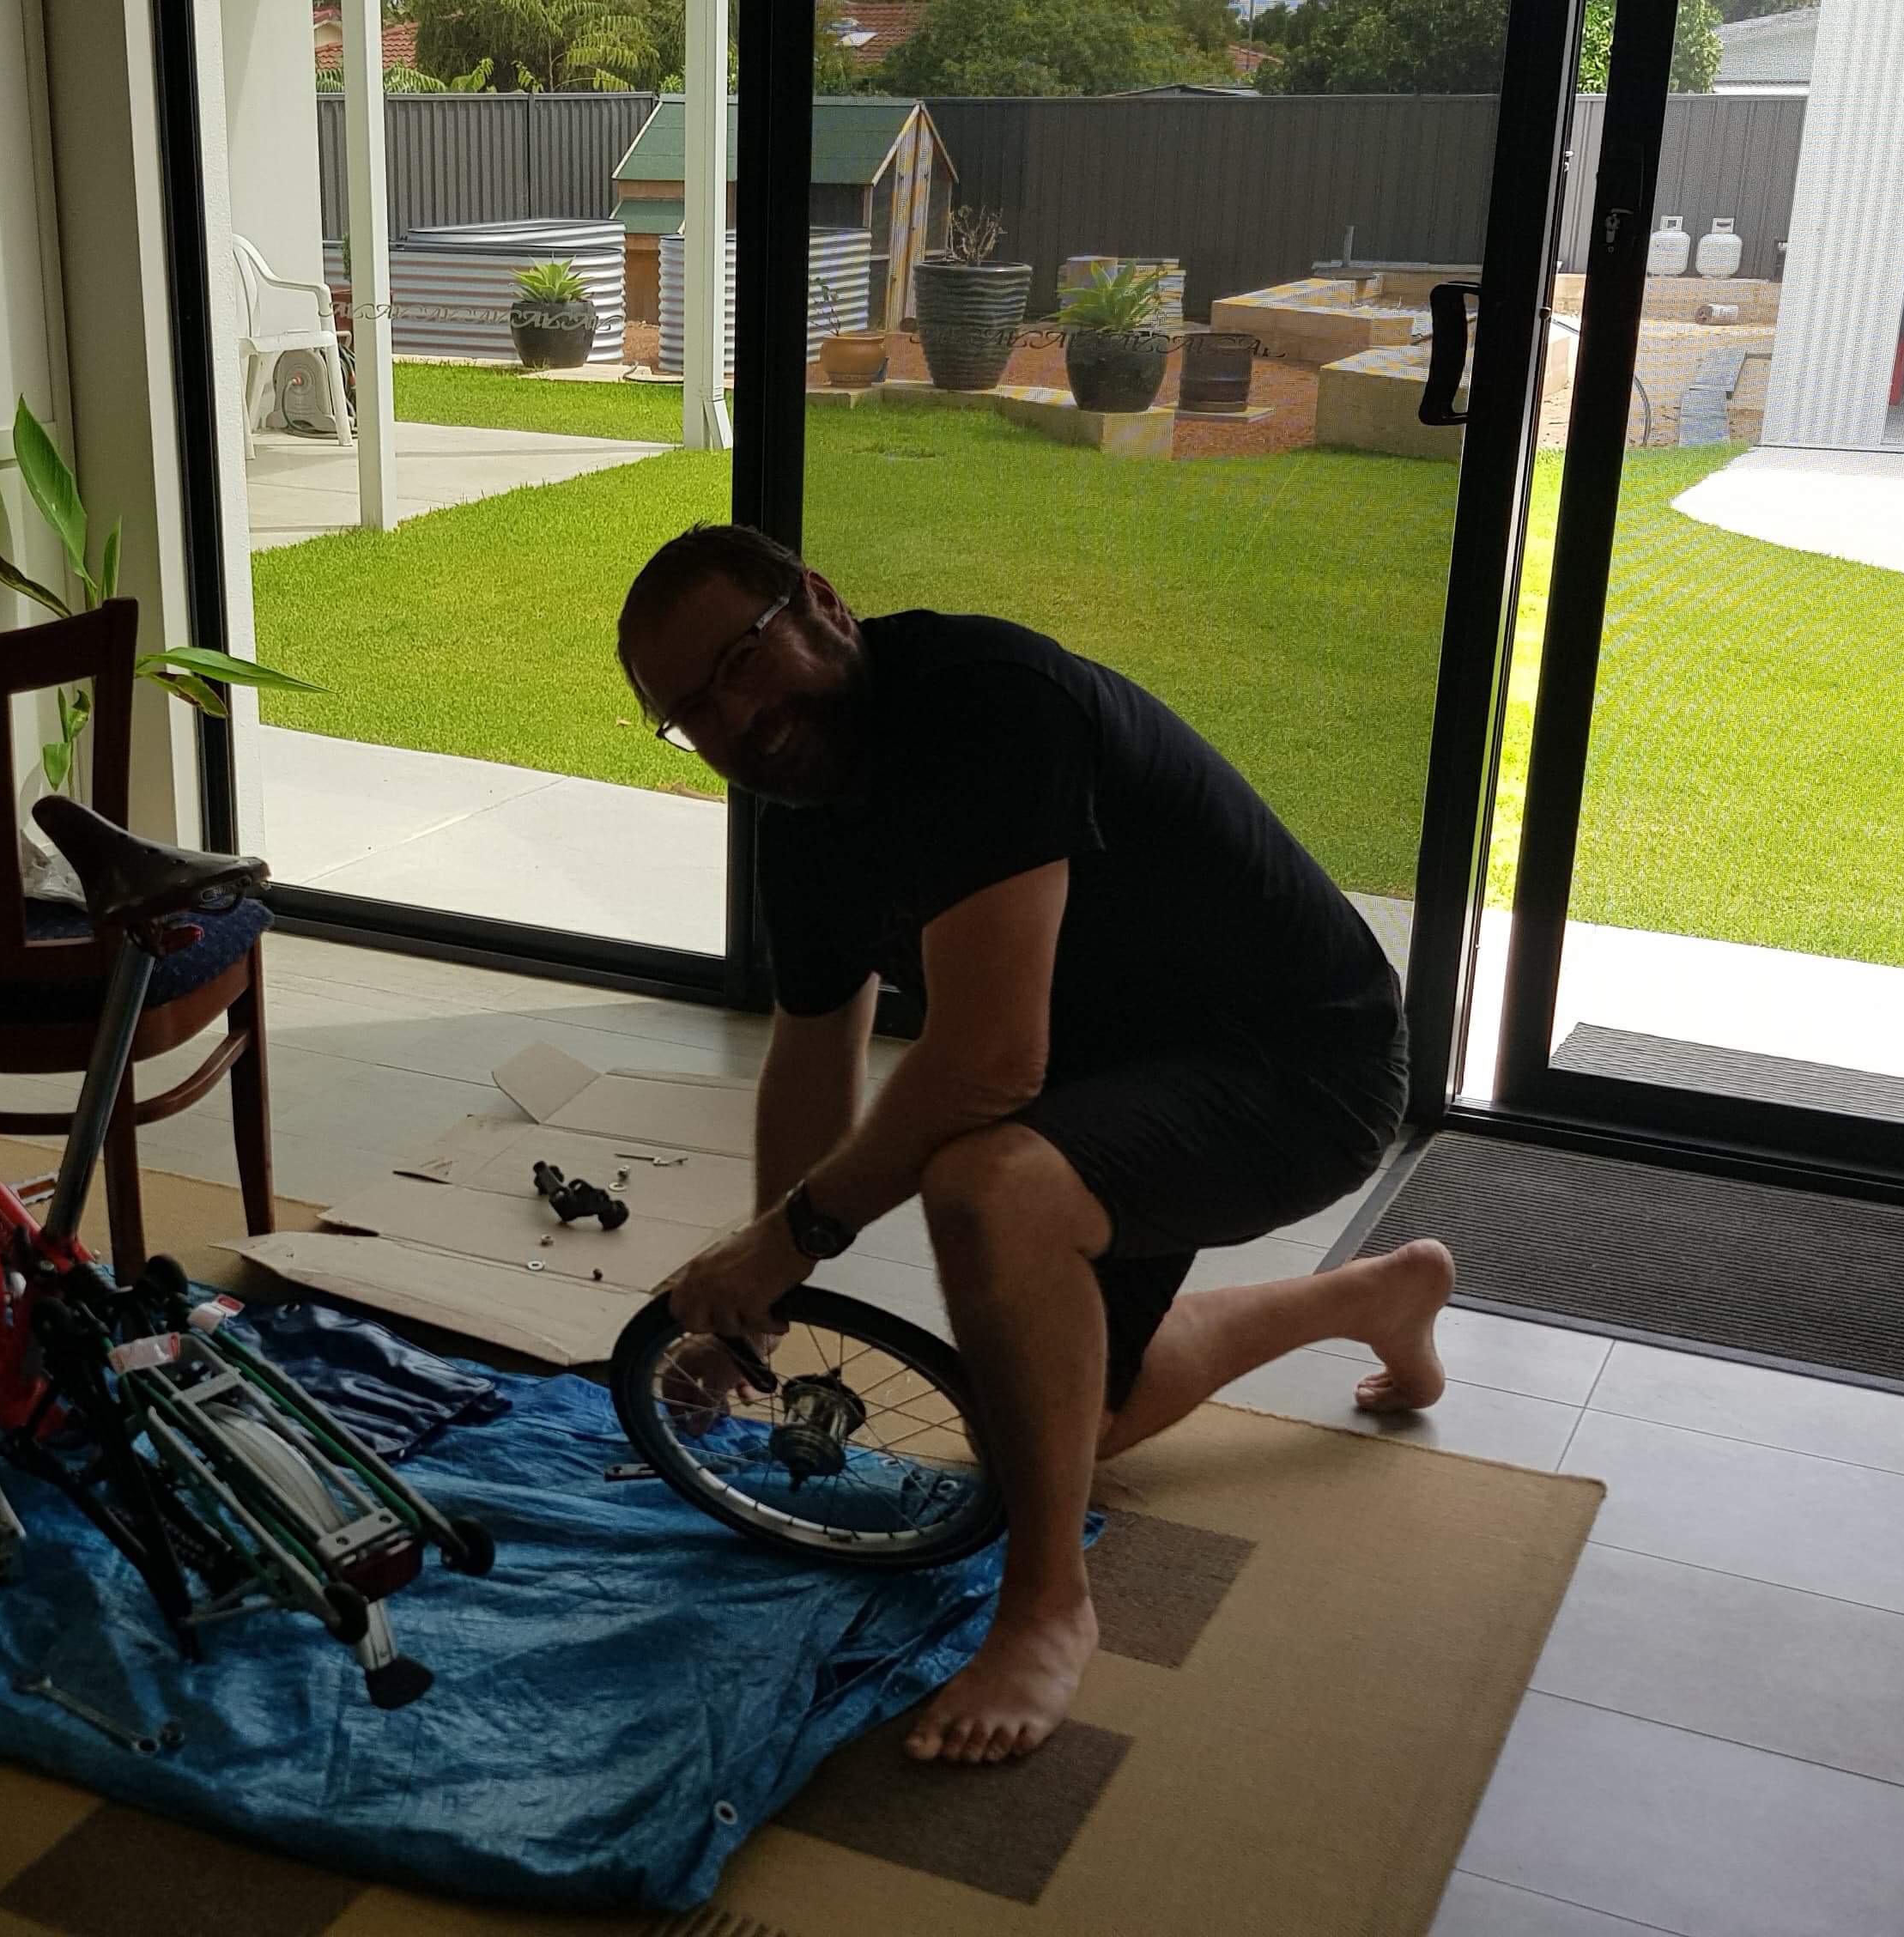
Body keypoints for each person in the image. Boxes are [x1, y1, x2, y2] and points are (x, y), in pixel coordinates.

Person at [619, 525, 1454, 1766]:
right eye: (692, 713)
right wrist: (761, 1302)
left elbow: (989, 1064)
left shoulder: (985, 705)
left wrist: (788, 1239)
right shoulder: (802, 802)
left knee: (986, 1182)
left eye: (741, 663)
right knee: (1059, 1428)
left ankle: (1049, 1603)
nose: (735, 721)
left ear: (823, 606)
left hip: (1301, 1066)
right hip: (1112, 1075)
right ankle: (1374, 1296)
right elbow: (813, 1050)